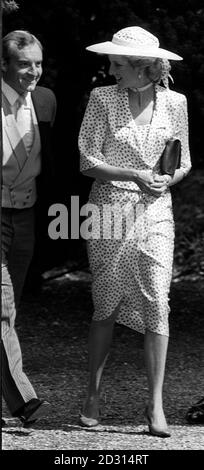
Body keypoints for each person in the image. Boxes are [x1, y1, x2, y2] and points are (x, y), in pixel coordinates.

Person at [78, 26, 191, 437]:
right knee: (105, 303)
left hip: (157, 212)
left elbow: (184, 161)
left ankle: (155, 404)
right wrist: (134, 175)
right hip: (109, 211)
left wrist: (167, 179)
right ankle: (92, 392)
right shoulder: (101, 98)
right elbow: (87, 159)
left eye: (117, 63)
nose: (110, 69)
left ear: (143, 68)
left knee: (157, 301)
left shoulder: (176, 103)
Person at [1, 30, 56, 426]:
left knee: (11, 310)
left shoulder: (46, 100)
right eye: (24, 64)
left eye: (37, 63)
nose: (33, 71)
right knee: (1, 311)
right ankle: (22, 399)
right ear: (4, 65)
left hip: (27, 215)